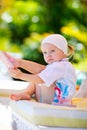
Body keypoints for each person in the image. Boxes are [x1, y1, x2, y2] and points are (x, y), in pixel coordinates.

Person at [8, 34, 76, 105]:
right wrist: (20, 63)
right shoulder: (58, 65)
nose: (48, 55)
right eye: (45, 52)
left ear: (63, 51)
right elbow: (40, 69)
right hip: (55, 99)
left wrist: (20, 75)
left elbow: (40, 79)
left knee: (40, 76)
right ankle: (27, 93)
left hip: (58, 102)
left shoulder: (61, 65)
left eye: (52, 51)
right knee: (41, 73)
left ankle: (27, 92)